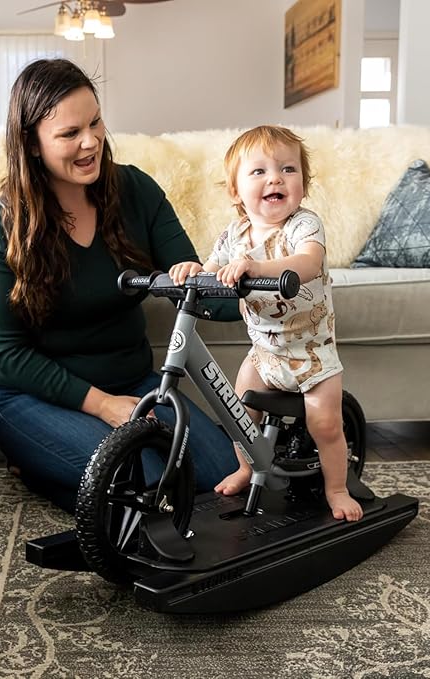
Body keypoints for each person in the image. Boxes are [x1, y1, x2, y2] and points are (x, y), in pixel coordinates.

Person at [0, 58, 237, 513]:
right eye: (70, 133)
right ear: (32, 144)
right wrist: (101, 406)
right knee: (145, 487)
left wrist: (252, 289)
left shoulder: (136, 190)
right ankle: (39, 465)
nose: (91, 141)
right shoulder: (3, 224)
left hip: (132, 382)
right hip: (31, 395)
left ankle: (62, 470)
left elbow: (194, 285)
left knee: (222, 476)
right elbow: (6, 354)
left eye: (95, 122)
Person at [170, 125, 363, 522]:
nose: (275, 178)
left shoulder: (304, 225)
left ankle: (337, 488)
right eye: (259, 171)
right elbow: (212, 270)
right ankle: (246, 468)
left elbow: (308, 262)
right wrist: (194, 270)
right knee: (238, 412)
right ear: (235, 191)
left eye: (288, 169)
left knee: (325, 424)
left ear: (304, 185)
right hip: (264, 353)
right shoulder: (234, 235)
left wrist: (257, 268)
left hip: (312, 354)